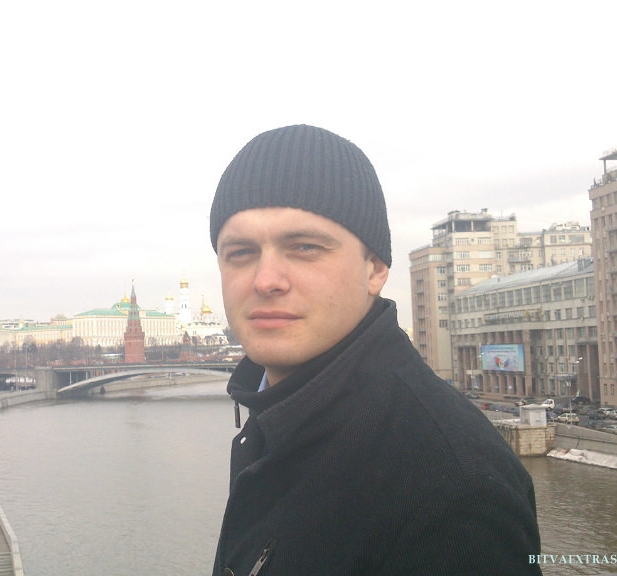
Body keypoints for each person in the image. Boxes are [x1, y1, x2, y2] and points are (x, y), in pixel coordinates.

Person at [209, 124, 541, 576]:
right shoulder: (276, 414)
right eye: (240, 252)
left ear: (376, 269)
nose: (266, 280)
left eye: (304, 247)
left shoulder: (451, 489)